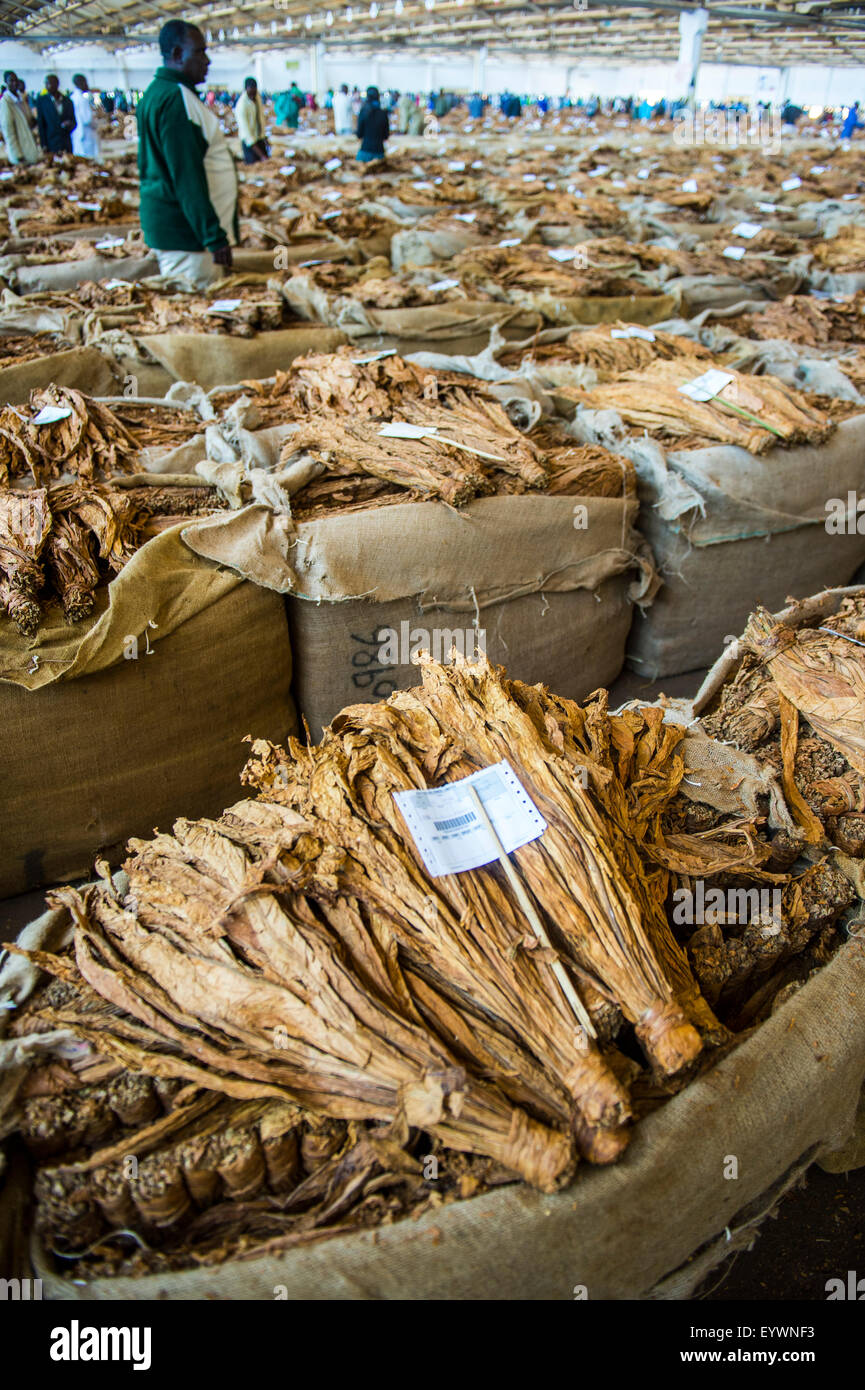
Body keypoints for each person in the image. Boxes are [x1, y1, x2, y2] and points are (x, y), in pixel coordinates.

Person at [137, 20, 237, 290]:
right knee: (198, 309)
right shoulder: (176, 100)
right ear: (178, 54)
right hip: (187, 237)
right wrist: (213, 237)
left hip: (179, 231)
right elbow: (186, 176)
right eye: (200, 52)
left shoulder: (159, 93)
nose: (207, 60)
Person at [0, 71, 39, 165]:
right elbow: (8, 131)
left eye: (16, 80)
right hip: (20, 152)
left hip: (29, 147)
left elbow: (29, 121)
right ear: (6, 82)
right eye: (11, 81)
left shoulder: (21, 99)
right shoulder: (5, 102)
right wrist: (17, 155)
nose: (14, 83)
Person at [36, 75, 75, 154]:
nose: (47, 86)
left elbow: (74, 121)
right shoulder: (42, 101)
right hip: (51, 143)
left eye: (49, 84)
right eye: (46, 84)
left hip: (66, 142)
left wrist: (69, 125)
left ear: (57, 84)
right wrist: (43, 144)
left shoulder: (68, 101)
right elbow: (41, 124)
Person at [236, 76, 268, 162]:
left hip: (259, 138)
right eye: (251, 89)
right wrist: (261, 155)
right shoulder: (241, 105)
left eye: (255, 89)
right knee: (254, 168)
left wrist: (264, 138)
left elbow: (261, 118)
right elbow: (247, 134)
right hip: (249, 144)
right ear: (246, 89)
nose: (254, 92)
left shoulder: (257, 98)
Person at [70, 74, 101, 159]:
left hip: (77, 133)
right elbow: (87, 119)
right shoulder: (82, 100)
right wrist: (96, 124)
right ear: (82, 83)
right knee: (90, 159)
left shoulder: (72, 98)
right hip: (86, 133)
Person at [356, 85, 389, 162]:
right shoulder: (383, 113)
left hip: (365, 152)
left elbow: (359, 134)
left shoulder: (363, 112)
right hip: (379, 153)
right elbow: (386, 136)